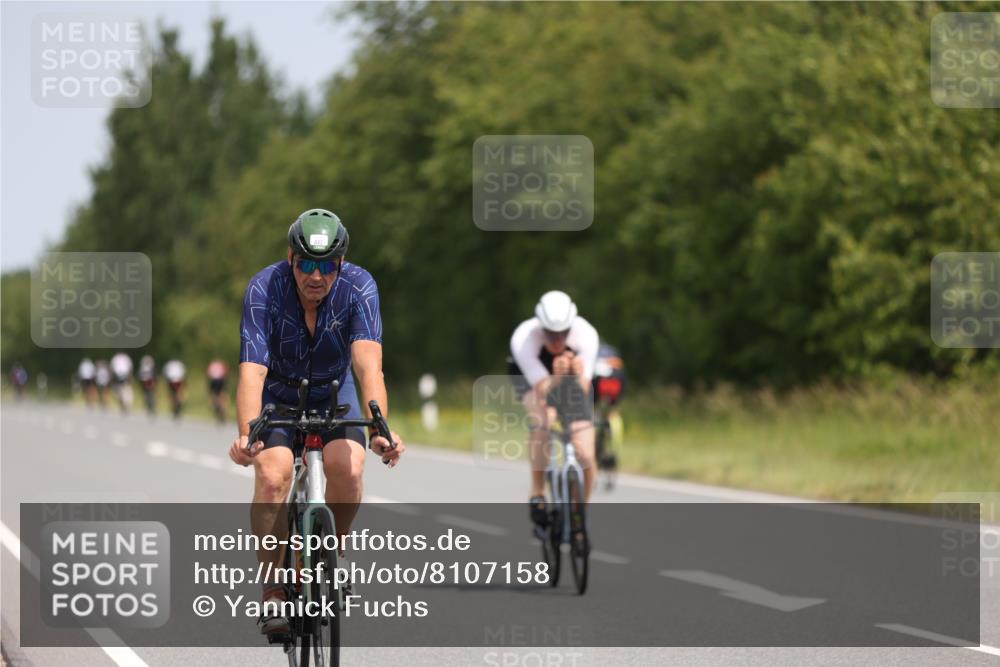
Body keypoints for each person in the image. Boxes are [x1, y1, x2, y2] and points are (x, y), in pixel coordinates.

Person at [226, 208, 404, 635]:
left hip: (332, 390)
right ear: (291, 258)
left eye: (327, 266)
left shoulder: (359, 287)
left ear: (340, 263)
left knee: (350, 466)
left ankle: (334, 544)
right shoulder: (264, 289)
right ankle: (272, 591)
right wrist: (248, 434)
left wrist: (380, 428)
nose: (316, 276)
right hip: (279, 395)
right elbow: (252, 370)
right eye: (307, 264)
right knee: (273, 476)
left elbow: (367, 365)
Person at [508, 290, 598, 538]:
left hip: (569, 374)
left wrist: (576, 374)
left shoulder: (586, 334)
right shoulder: (524, 338)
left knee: (585, 452)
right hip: (533, 376)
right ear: (541, 327)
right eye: (550, 334)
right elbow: (542, 391)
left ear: (571, 327)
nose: (557, 340)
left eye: (563, 334)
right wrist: (557, 377)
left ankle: (580, 513)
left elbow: (584, 390)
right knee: (544, 419)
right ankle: (537, 490)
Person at [592, 341, 626, 480]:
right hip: (597, 402)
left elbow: (621, 392)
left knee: (612, 426)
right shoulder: (599, 372)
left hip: (608, 403)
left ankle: (610, 452)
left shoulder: (617, 374)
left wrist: (614, 409)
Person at [206, 358, 230, 424]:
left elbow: (209, 373)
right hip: (222, 381)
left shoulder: (212, 365)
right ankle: (223, 407)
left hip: (214, 381)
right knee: (223, 394)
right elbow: (226, 373)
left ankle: (216, 405)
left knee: (214, 394)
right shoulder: (221, 365)